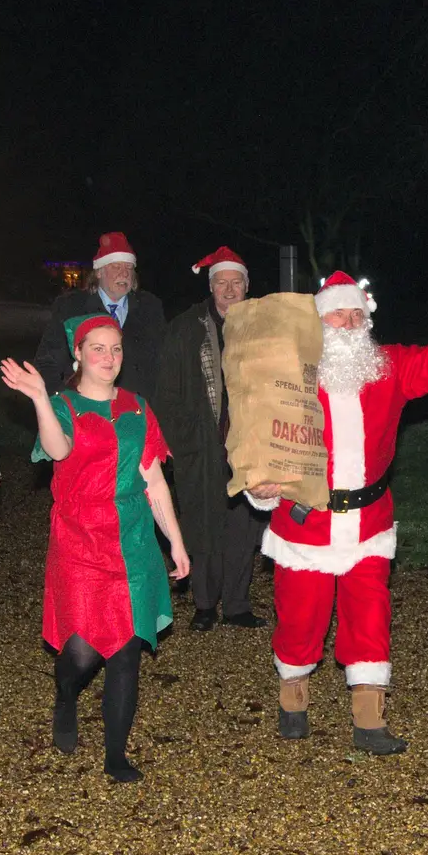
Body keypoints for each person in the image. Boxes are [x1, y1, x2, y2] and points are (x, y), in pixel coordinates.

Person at [246, 273, 428, 754]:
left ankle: (369, 718)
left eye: (357, 314)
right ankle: (293, 694)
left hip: (369, 521)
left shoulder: (390, 367)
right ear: (318, 321)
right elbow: (256, 436)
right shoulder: (289, 375)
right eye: (338, 314)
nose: (350, 322)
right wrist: (260, 486)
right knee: (301, 616)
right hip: (307, 520)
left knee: (370, 615)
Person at [0, 313, 191, 784]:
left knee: (126, 652)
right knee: (82, 654)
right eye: (99, 348)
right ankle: (65, 696)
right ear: (79, 355)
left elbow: (153, 480)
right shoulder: (64, 403)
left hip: (133, 542)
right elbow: (58, 449)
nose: (109, 357)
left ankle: (115, 754)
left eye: (116, 349)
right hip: (80, 538)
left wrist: (177, 544)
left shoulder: (138, 407)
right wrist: (42, 399)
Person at [154, 247, 269, 631]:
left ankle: (236, 603)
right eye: (222, 282)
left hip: (249, 447)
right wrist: (184, 439)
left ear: (247, 286)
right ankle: (204, 603)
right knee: (201, 524)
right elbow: (167, 392)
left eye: (237, 282)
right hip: (201, 445)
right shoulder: (186, 328)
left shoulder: (262, 327)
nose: (230, 289)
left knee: (243, 527)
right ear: (212, 286)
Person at [33, 231, 166, 399]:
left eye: (129, 268)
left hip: (137, 413)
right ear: (98, 272)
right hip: (86, 412)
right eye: (116, 267)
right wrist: (64, 404)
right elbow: (47, 363)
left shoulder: (150, 307)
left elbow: (164, 365)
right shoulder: (71, 307)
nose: (124, 274)